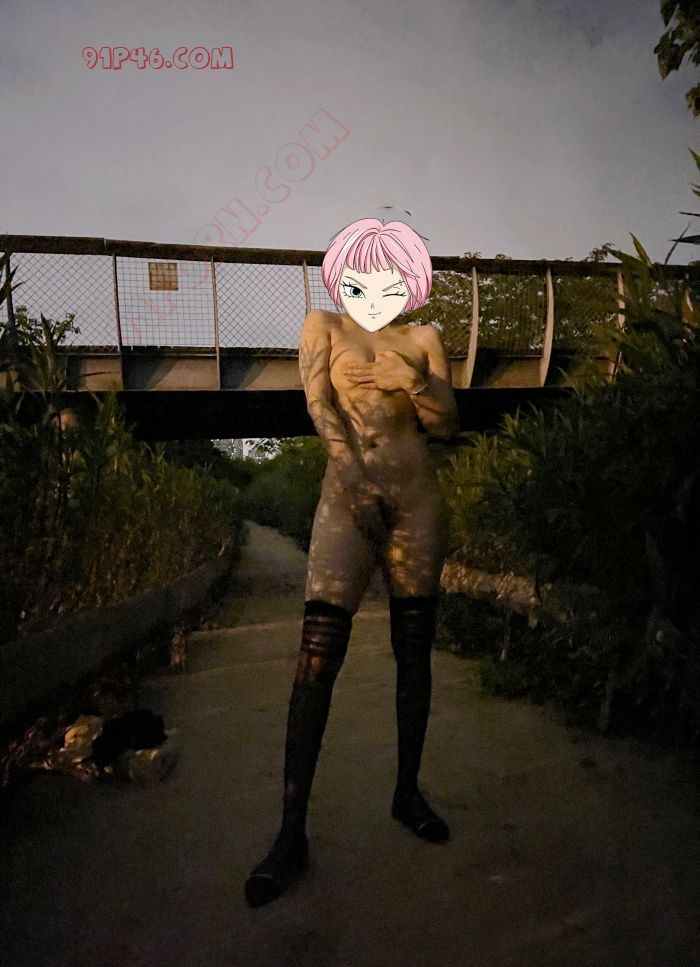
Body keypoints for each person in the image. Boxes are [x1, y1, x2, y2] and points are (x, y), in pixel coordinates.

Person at [244, 216, 460, 908]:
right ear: (343, 280)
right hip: (347, 499)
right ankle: (290, 832)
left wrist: (416, 383)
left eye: (390, 282)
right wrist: (353, 478)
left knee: (414, 649)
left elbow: (447, 423)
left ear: (410, 284)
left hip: (416, 501)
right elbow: (319, 407)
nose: (375, 295)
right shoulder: (324, 326)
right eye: (362, 281)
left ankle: (407, 792)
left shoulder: (424, 339)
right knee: (317, 653)